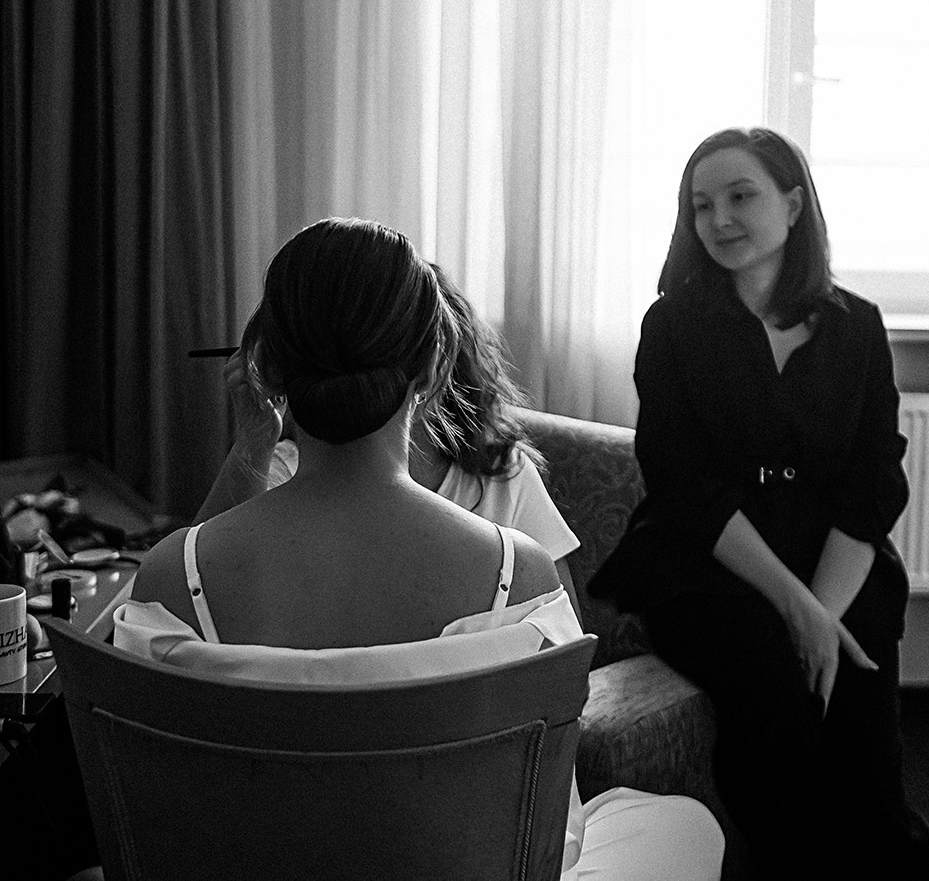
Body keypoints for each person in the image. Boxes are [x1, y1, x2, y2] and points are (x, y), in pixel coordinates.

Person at [121, 217, 722, 880]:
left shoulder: (169, 577)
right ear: (435, 365)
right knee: (684, 826)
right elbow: (552, 812)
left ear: (267, 368)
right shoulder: (519, 573)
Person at [588, 128, 929, 879]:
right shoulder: (672, 326)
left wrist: (823, 613)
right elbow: (685, 485)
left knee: (865, 751)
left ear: (794, 204)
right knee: (777, 714)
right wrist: (798, 609)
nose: (718, 219)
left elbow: (873, 478)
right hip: (711, 562)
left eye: (740, 196)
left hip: (838, 558)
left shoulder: (857, 325)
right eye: (701, 204)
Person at [195, 264, 584, 623]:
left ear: (438, 368)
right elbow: (200, 579)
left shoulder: (504, 474)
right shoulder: (283, 468)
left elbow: (564, 631)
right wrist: (253, 443)